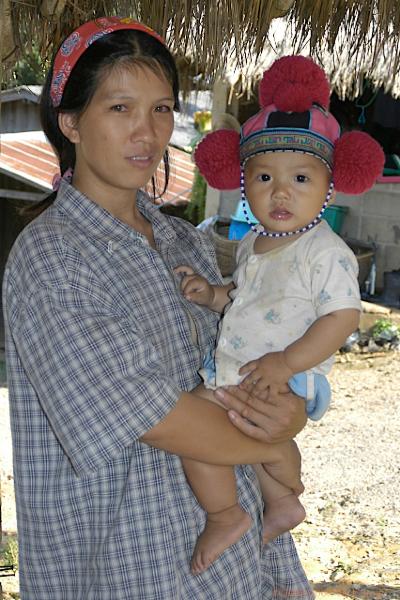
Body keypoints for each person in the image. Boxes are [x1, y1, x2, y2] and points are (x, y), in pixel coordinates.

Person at [2, 17, 316, 599]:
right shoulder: (51, 258)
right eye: (120, 108)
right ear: (70, 121)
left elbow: (245, 369)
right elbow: (159, 417)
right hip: (128, 570)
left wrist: (288, 406)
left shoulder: (183, 242)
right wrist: (278, 439)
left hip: (234, 565)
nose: (147, 132)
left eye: (162, 108)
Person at [176, 56, 385, 574]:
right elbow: (246, 301)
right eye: (265, 176)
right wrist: (212, 296)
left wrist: (287, 364)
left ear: (330, 185)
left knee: (195, 433)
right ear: (244, 183)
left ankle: (226, 514)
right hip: (245, 369)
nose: (281, 191)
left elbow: (342, 317)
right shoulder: (252, 245)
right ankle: (283, 500)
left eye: (300, 177)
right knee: (239, 433)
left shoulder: (324, 249)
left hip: (273, 374)